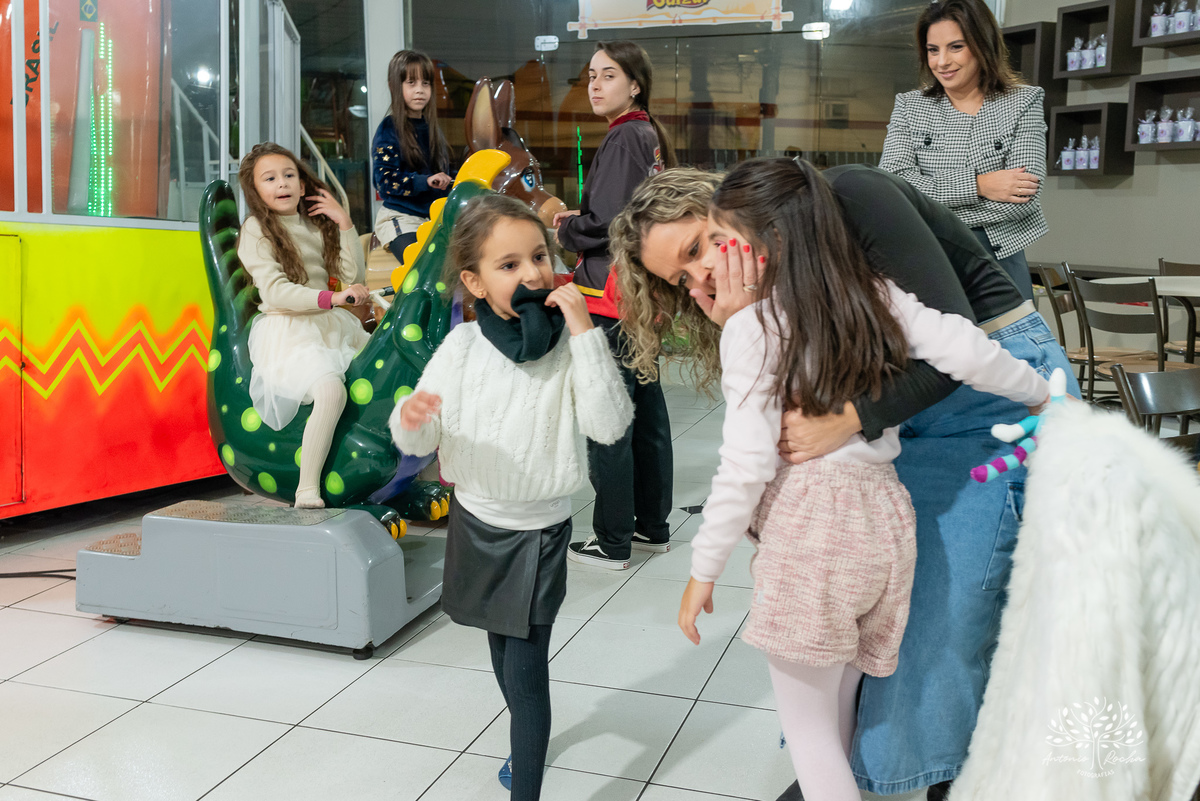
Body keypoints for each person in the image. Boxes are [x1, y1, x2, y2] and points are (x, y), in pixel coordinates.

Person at [608, 163, 1079, 800]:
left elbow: (958, 345)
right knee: (879, 648)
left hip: (983, 389)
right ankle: (855, 775)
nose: (703, 279)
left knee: (937, 630)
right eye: (682, 280)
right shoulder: (789, 297)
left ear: (724, 211)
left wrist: (851, 418)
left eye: (698, 249)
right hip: (912, 410)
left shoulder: (850, 196)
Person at [389, 194, 632, 801]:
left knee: (525, 673)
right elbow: (420, 432)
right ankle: (528, 742)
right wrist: (412, 416)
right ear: (472, 280)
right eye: (508, 264)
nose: (530, 274)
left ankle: (527, 776)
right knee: (498, 650)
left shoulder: (569, 346)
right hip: (475, 520)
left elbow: (608, 424)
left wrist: (583, 332)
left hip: (537, 532)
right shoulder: (464, 347)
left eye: (538, 257)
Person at [554, 40, 676, 570]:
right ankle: (650, 526)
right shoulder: (646, 136)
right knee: (647, 415)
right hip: (640, 296)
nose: (595, 84)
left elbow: (606, 224)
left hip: (610, 300)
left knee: (610, 421)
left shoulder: (625, 136)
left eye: (608, 75)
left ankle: (611, 541)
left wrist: (562, 226)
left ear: (635, 84)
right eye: (591, 76)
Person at [879, 0, 1046, 303]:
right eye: (933, 50)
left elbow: (1022, 199)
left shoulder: (1023, 102)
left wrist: (929, 202)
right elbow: (894, 188)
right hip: (925, 258)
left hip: (999, 259)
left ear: (982, 45)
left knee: (1013, 350)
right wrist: (981, 185)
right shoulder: (909, 106)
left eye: (955, 47)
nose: (942, 61)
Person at [236, 142, 370, 509]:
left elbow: (348, 276)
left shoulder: (313, 225)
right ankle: (306, 489)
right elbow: (277, 294)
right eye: (271, 178)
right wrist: (334, 299)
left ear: (302, 182)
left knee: (382, 371)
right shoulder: (255, 229)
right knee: (331, 391)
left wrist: (343, 223)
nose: (282, 183)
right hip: (288, 329)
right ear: (256, 189)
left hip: (328, 322)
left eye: (289, 175)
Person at [371, 49, 454, 255]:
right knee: (420, 262)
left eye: (425, 83)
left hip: (434, 218)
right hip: (401, 218)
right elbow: (384, 180)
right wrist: (424, 181)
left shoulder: (433, 129)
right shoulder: (388, 129)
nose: (420, 90)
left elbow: (445, 171)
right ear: (394, 87)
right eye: (411, 83)